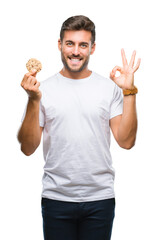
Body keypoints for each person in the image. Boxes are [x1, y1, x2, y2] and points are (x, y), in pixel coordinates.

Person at [18, 15, 141, 240]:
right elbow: (27, 147)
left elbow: (126, 141)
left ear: (92, 48)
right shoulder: (42, 90)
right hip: (56, 199)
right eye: (70, 43)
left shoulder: (108, 88)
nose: (76, 51)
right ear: (60, 45)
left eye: (83, 45)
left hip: (100, 199)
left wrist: (128, 91)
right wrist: (33, 100)